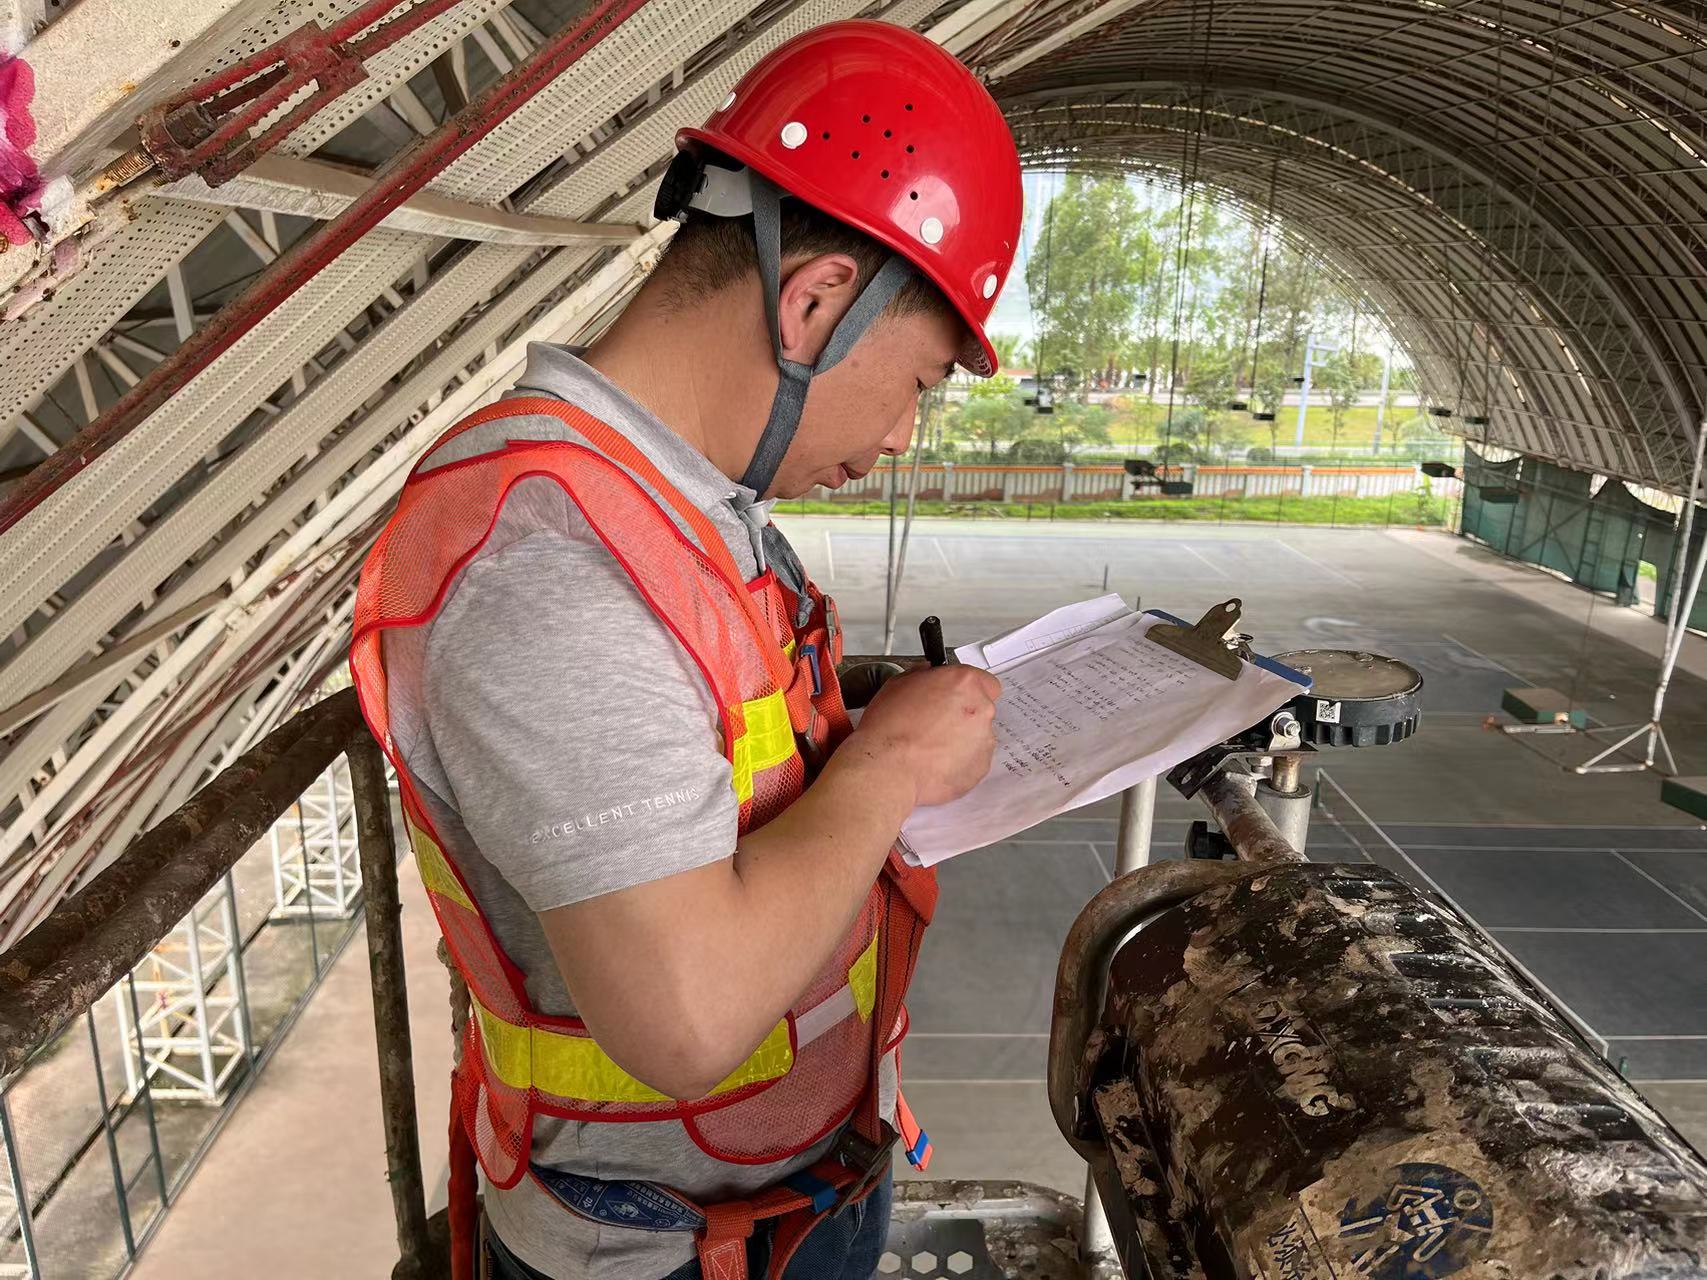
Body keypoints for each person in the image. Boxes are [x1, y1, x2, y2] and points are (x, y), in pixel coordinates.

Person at [349, 20, 1022, 1280]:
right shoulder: (546, 560)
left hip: (778, 1200)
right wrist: (887, 770)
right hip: (654, 1250)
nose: (903, 435)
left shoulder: (687, 505)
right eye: (922, 379)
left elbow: (712, 727)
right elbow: (687, 1012)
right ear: (816, 300)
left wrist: (860, 711)